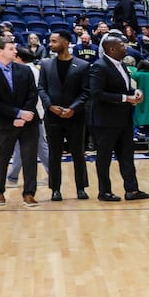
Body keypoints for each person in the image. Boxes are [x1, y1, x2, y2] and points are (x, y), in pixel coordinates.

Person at [87, 32, 149, 201]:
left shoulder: (122, 65)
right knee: (104, 159)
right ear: (111, 49)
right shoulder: (99, 66)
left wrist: (135, 92)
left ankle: (132, 190)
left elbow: (125, 88)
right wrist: (126, 98)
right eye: (122, 46)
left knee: (127, 157)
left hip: (123, 120)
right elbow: (96, 94)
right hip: (105, 122)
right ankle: (104, 191)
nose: (126, 48)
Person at [38, 30, 90, 201]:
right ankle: (55, 189)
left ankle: (81, 187)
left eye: (54, 41)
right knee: (54, 154)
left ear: (66, 42)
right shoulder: (45, 64)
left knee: (78, 153)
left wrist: (73, 108)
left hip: (75, 116)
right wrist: (50, 106)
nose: (50, 44)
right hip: (52, 116)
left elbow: (85, 92)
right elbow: (41, 88)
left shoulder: (82, 65)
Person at [0, 37, 40, 207]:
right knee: (1, 158)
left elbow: (32, 94)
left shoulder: (25, 70)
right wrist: (17, 114)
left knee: (30, 159)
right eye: (11, 49)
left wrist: (24, 115)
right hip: (3, 122)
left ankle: (29, 193)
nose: (15, 51)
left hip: (29, 121)